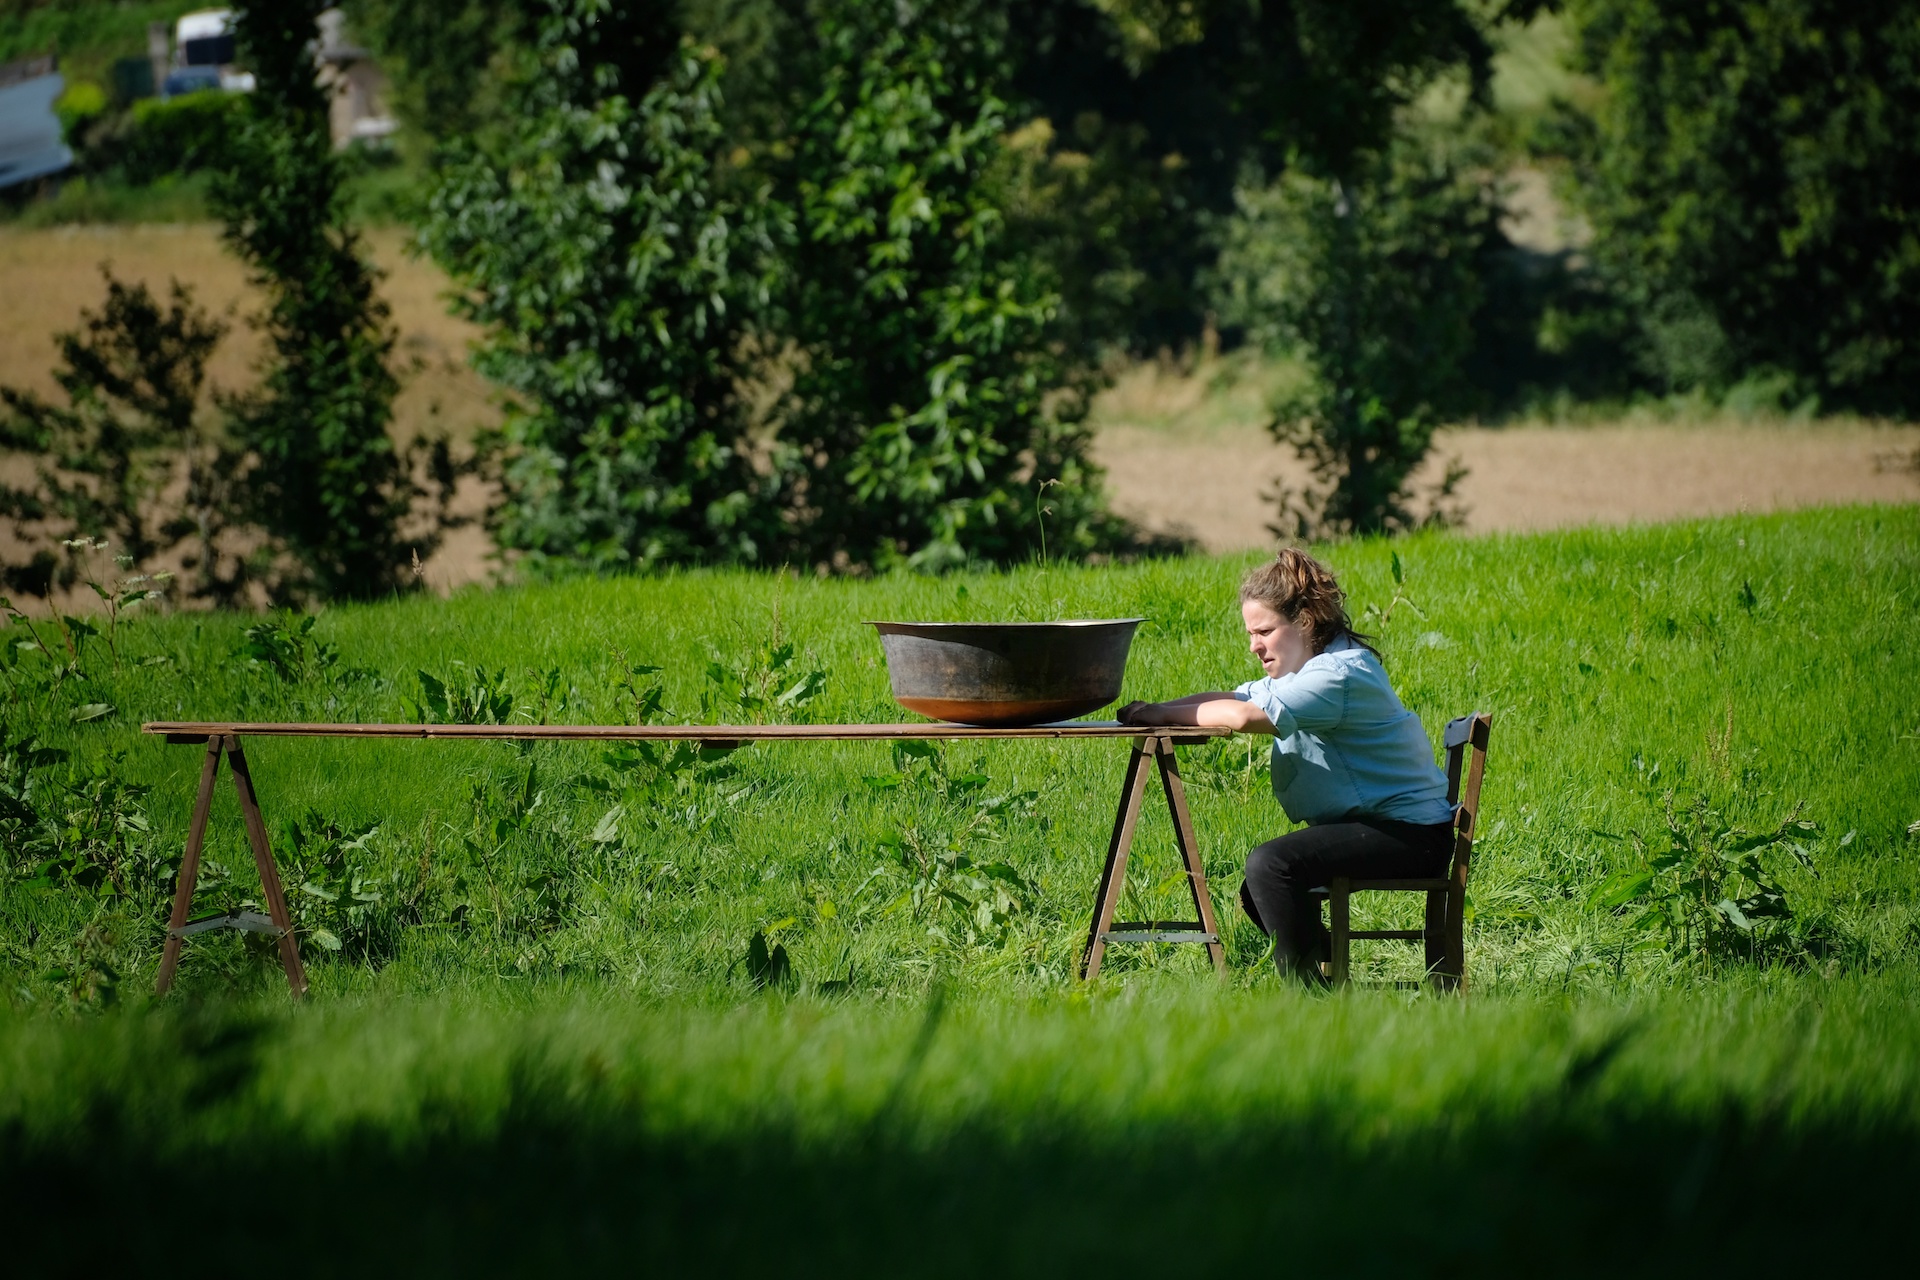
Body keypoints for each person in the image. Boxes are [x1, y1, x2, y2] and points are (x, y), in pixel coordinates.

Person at [1116, 549, 1454, 983]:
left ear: (1305, 621)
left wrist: (1160, 715)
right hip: (1389, 826)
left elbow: (1243, 716)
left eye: (1264, 631)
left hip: (1412, 836)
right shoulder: (1309, 670)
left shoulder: (1337, 676)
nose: (1254, 646)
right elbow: (1234, 697)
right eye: (1250, 633)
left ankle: (1309, 997)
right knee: (1261, 888)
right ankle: (1326, 977)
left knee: (1272, 867)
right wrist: (1155, 709)